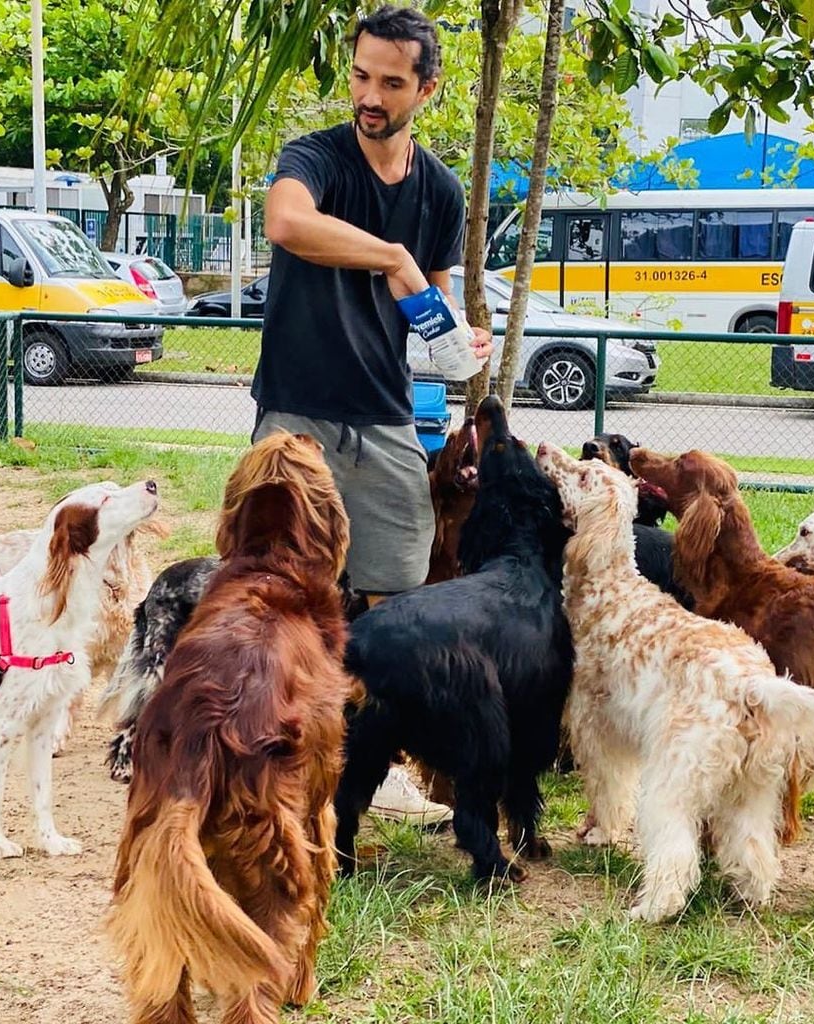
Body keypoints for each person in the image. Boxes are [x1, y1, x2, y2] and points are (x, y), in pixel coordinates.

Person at [252, 5, 492, 824]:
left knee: (396, 599)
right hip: (298, 409)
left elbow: (435, 301)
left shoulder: (440, 190)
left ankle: (371, 762)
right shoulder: (314, 157)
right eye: (361, 75)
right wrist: (388, 255)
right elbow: (286, 223)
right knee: (280, 589)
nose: (370, 94)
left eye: (391, 82)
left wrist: (465, 340)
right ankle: (270, 753)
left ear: (427, 88)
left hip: (387, 412)